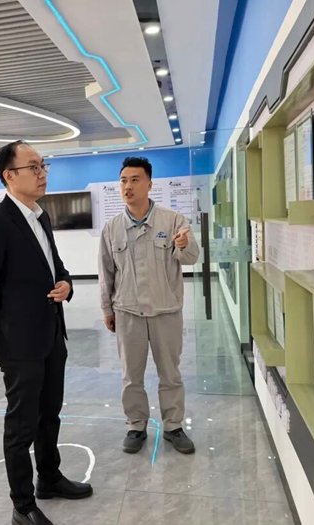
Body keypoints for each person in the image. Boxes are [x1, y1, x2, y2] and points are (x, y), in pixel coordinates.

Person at [0, 141, 93, 525]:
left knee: (49, 414)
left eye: (43, 166)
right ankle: (22, 505)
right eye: (34, 167)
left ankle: (49, 479)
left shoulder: (41, 217)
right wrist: (7, 327)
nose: (42, 174)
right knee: (21, 425)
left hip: (51, 334)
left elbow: (55, 264)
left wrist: (66, 284)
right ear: (9, 175)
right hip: (19, 343)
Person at [98, 157, 200, 455]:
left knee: (171, 373)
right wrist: (107, 310)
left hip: (166, 312)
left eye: (135, 180)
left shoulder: (173, 221)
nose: (127, 186)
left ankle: (173, 426)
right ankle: (136, 425)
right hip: (127, 312)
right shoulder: (112, 228)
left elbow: (191, 258)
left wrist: (184, 245)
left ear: (149, 184)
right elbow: (106, 272)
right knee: (131, 376)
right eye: (123, 181)